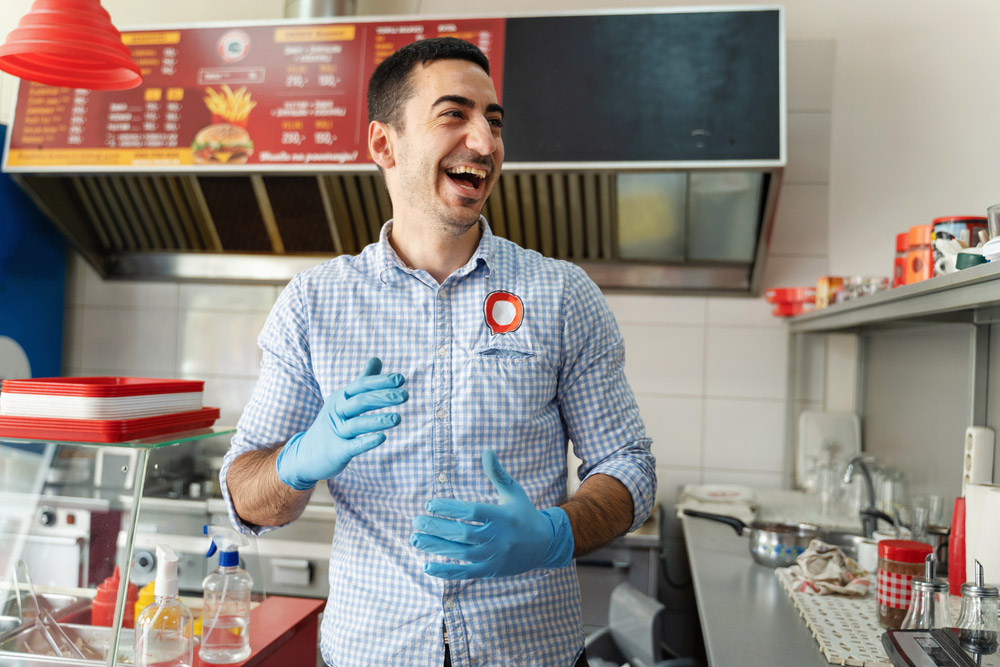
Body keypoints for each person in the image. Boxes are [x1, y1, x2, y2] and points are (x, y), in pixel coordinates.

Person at [221, 37, 656, 667]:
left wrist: (554, 533)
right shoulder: (314, 304)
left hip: (530, 653)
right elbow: (243, 494)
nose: (485, 142)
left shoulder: (560, 294)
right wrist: (296, 461)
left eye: (494, 120)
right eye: (454, 114)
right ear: (383, 145)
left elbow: (631, 468)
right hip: (371, 651)